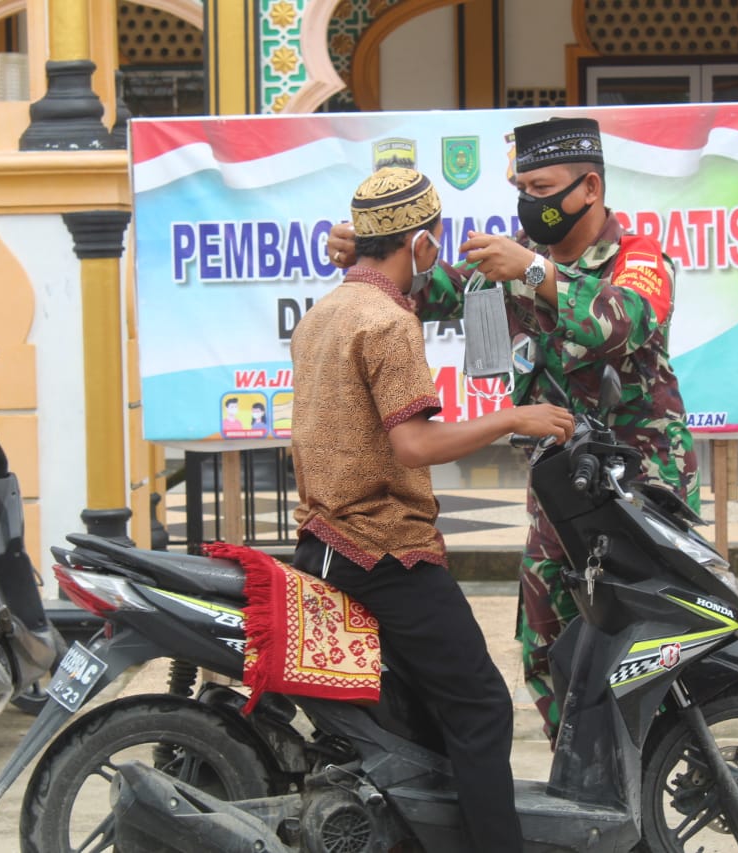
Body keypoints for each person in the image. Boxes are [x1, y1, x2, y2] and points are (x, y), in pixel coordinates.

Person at [328, 117, 699, 741]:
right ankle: (578, 770)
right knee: (545, 639)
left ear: (589, 188)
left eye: (544, 185)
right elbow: (432, 287)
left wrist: (530, 270)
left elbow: (622, 322)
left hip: (637, 489)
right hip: (559, 494)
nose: (531, 200)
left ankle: (662, 761)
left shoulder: (637, 259)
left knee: (644, 638)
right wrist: (371, 255)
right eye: (521, 185)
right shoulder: (513, 268)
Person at [291, 166, 574, 852]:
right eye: (434, 247)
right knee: (480, 705)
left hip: (324, 541)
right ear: (419, 245)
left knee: (418, 709)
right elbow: (414, 442)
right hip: (385, 549)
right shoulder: (387, 321)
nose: (436, 261)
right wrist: (516, 417)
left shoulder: (324, 311)